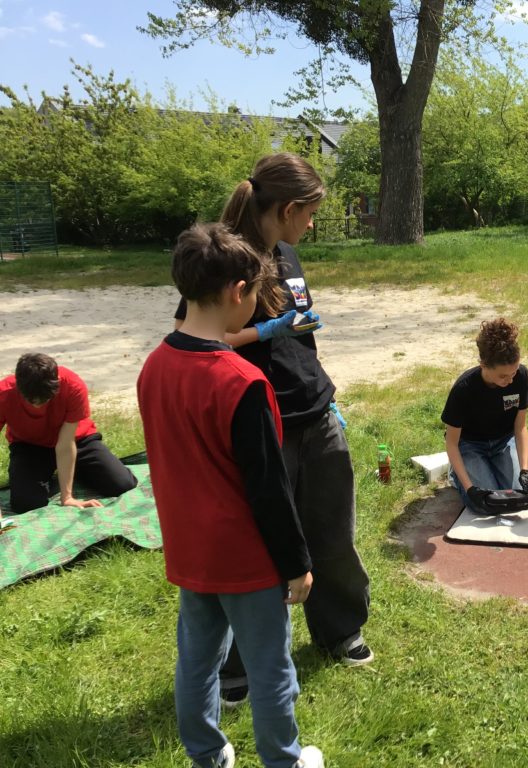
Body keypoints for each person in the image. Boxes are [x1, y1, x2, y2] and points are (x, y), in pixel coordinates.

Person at [174, 153, 372, 709]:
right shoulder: (224, 256)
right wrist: (264, 329)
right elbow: (192, 336)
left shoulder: (287, 252)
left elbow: (301, 335)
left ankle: (339, 631)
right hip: (261, 421)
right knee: (260, 547)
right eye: (309, 214)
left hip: (313, 411)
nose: (311, 225)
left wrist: (322, 390)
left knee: (332, 534)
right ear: (287, 209)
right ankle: (237, 665)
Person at [139, 223, 323, 768]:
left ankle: (207, 754)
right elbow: (268, 489)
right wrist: (297, 564)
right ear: (237, 292)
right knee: (272, 669)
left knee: (197, 660)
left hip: (188, 550)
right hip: (247, 559)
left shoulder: (153, 367)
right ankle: (284, 761)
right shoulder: (240, 381)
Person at [0, 352, 137, 515]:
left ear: (56, 385)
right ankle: (52, 475)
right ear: (19, 386)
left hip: (77, 441)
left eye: (44, 399)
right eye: (31, 400)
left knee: (122, 484)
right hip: (30, 446)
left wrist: (67, 497)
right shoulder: (4, 393)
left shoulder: (73, 386)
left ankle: (75, 472)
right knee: (26, 504)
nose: (37, 405)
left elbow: (65, 444)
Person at [442, 318, 528, 514]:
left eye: (514, 372)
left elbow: (520, 428)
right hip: (470, 446)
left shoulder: (522, 376)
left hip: (503, 442)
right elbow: (451, 443)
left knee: (518, 499)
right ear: (484, 365)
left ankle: (489, 468)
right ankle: (457, 474)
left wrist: (525, 472)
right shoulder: (463, 389)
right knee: (487, 503)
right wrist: (470, 489)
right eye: (503, 376)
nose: (510, 380)